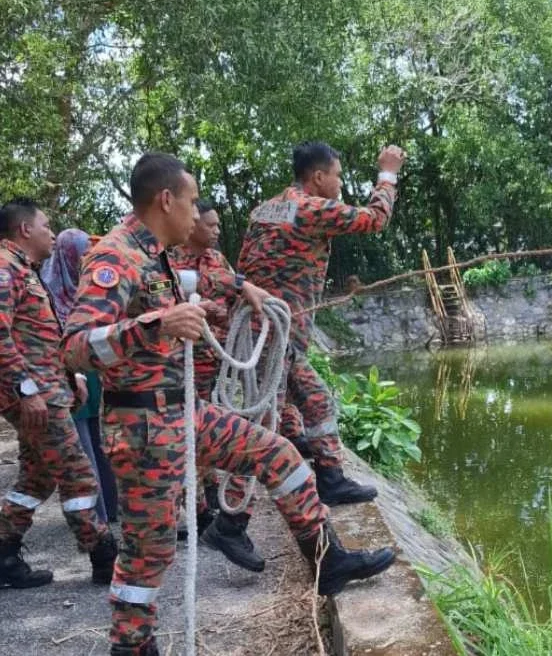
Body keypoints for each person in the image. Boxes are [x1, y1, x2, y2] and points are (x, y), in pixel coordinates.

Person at [61, 153, 395, 656]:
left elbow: (202, 278)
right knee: (148, 554)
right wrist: (157, 325)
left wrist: (244, 286)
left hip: (182, 413)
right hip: (143, 427)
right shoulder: (115, 257)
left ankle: (327, 561)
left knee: (280, 455)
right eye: (193, 202)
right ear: (167, 200)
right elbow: (74, 347)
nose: (198, 215)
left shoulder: (157, 254)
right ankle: (131, 646)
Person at [238, 142, 405, 506]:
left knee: (311, 401)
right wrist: (388, 173)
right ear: (317, 177)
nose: (340, 183)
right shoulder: (309, 207)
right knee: (266, 424)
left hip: (265, 331)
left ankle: (326, 475)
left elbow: (245, 267)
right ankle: (233, 518)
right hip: (276, 335)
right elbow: (375, 219)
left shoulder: (264, 210)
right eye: (337, 176)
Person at [0, 199, 117, 589]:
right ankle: (104, 556)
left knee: (37, 477)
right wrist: (26, 390)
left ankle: (4, 553)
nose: (51, 233)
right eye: (46, 226)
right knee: (78, 475)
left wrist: (71, 378)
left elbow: (39, 340)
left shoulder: (24, 270)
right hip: (36, 396)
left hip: (46, 390)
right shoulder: (5, 268)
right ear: (25, 230)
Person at [169, 199, 261, 572]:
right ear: (192, 226)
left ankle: (207, 506)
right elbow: (180, 303)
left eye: (218, 225)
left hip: (217, 361)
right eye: (210, 225)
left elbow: (232, 298)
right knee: (191, 438)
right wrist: (217, 305)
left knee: (206, 438)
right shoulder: (170, 261)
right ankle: (196, 512)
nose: (216, 230)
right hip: (183, 365)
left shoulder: (217, 260)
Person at [41, 228, 118, 523]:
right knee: (83, 450)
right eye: (83, 253)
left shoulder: (91, 291)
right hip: (70, 379)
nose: (88, 259)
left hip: (97, 376)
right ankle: (96, 520)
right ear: (68, 256)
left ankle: (113, 508)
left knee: (104, 445)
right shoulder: (50, 293)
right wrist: (75, 375)